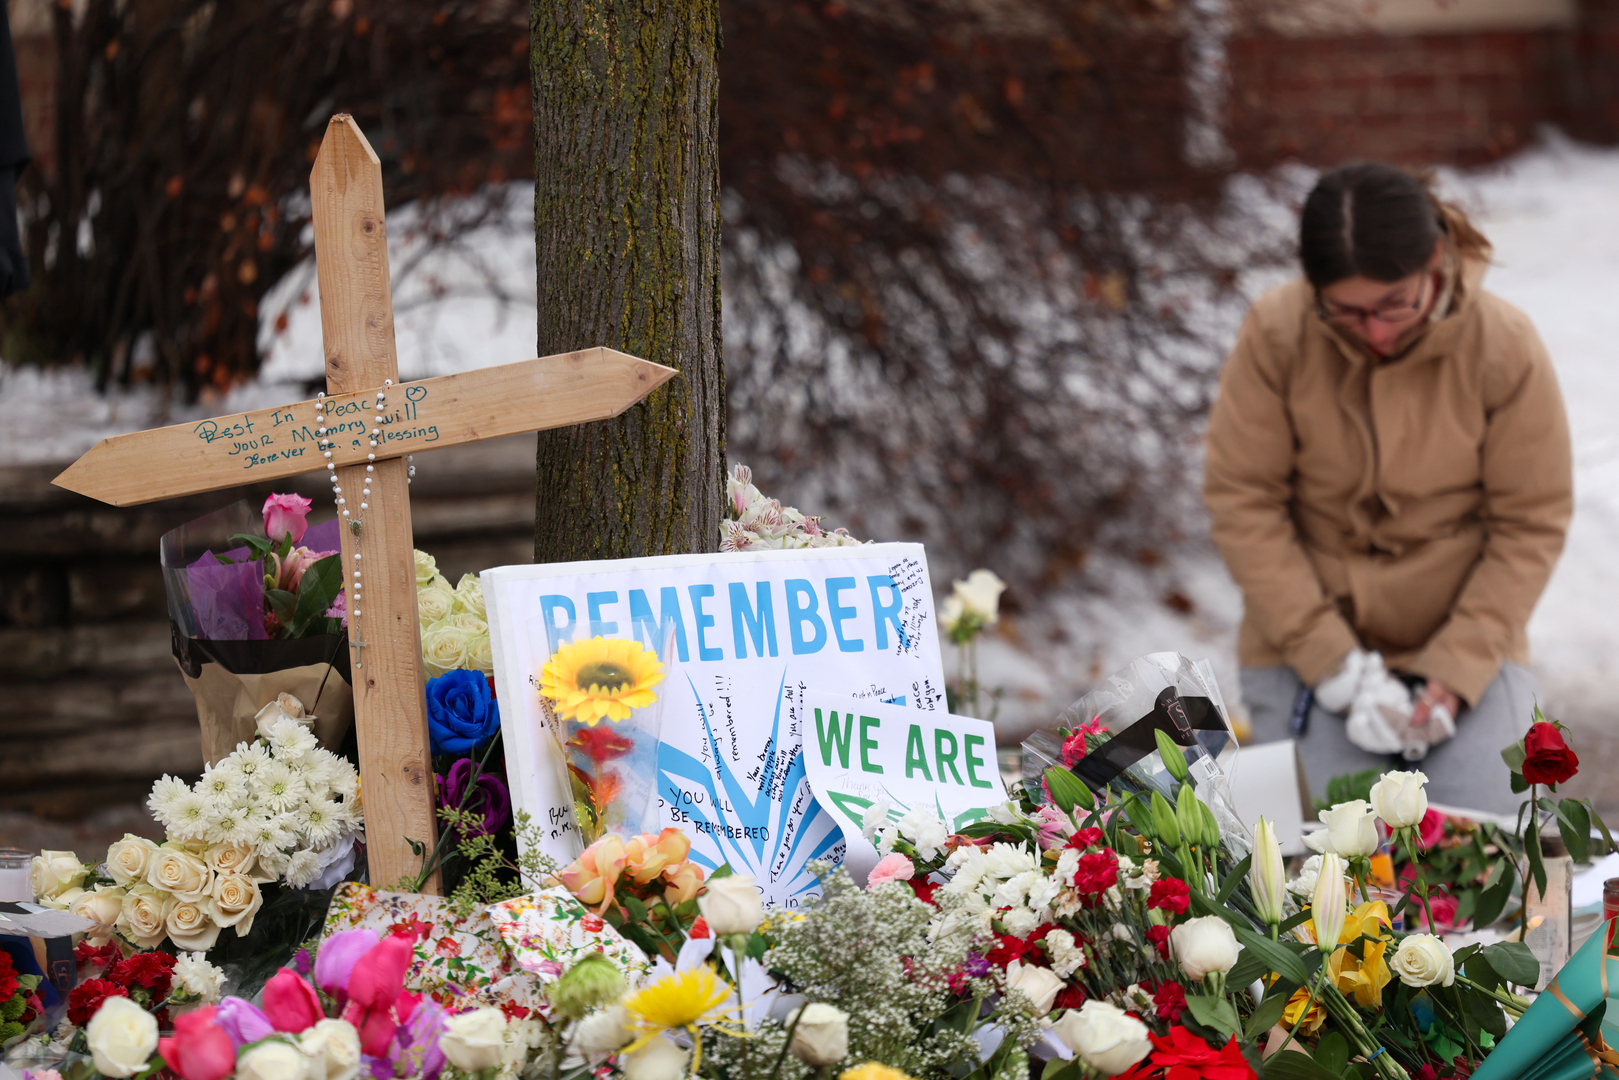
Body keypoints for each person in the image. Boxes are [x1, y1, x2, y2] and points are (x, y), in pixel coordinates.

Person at [1203, 162, 1572, 815]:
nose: (1375, 332)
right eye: (1345, 312)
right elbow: (1244, 502)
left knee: (1488, 838)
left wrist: (1457, 668)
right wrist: (1333, 665)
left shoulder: (1504, 345)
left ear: (1435, 261)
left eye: (1394, 304)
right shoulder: (1275, 333)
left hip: (1467, 642)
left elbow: (1530, 521)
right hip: (1304, 644)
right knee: (1316, 846)